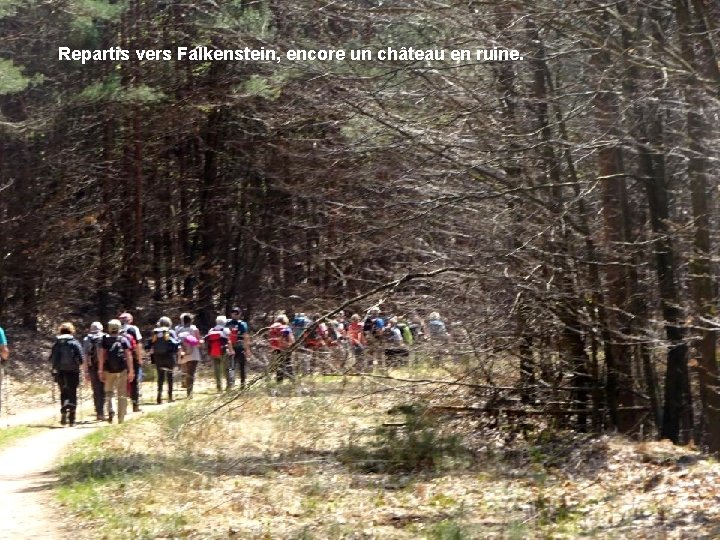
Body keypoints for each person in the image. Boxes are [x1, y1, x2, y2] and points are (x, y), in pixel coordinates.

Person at [98, 319, 135, 424]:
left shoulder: (104, 340)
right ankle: (121, 419)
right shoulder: (123, 340)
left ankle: (111, 409)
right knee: (121, 394)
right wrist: (131, 370)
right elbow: (128, 355)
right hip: (122, 370)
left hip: (108, 370)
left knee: (109, 392)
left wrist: (100, 370)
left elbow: (101, 356)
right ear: (119, 328)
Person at [48, 322, 84, 426]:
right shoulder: (74, 342)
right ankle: (72, 419)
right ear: (71, 331)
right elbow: (81, 358)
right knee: (72, 393)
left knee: (63, 392)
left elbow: (51, 358)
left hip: (60, 371)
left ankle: (64, 412)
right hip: (73, 371)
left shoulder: (57, 343)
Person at [149, 316, 180, 404]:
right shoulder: (171, 332)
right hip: (170, 356)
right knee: (170, 376)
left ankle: (159, 397)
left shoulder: (155, 332)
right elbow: (176, 343)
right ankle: (170, 396)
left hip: (158, 357)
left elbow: (151, 343)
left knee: (160, 377)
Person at [119, 312, 144, 412]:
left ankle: (123, 407)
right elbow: (138, 344)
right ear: (130, 320)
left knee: (122, 382)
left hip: (120, 358)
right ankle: (135, 405)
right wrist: (139, 358)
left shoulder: (117, 329)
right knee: (134, 381)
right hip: (132, 357)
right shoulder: (133, 329)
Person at [82, 322, 107, 421]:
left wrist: (85, 371)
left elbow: (85, 356)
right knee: (104, 389)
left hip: (92, 367)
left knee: (96, 390)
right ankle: (103, 411)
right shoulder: (105, 337)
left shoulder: (86, 339)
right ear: (101, 328)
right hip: (105, 367)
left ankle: (98, 412)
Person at [175, 313, 202, 398]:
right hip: (193, 354)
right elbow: (198, 344)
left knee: (186, 372)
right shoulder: (194, 329)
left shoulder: (178, 330)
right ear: (191, 320)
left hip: (183, 354)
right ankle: (189, 393)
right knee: (191, 373)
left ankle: (186, 388)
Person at [205, 316, 234, 392]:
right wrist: (231, 350)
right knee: (227, 368)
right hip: (223, 351)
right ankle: (228, 385)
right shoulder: (225, 330)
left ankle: (219, 387)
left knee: (217, 370)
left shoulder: (211, 330)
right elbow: (229, 341)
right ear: (224, 322)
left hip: (214, 351)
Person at [226, 307, 251, 389]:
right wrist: (247, 349)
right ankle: (242, 385)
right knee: (241, 367)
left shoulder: (227, 323)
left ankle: (231, 384)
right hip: (240, 347)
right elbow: (245, 336)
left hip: (231, 347)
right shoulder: (243, 324)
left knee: (231, 367)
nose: (235, 314)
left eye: (235, 313)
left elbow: (226, 336)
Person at [269, 314, 294, 383]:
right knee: (288, 364)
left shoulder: (272, 328)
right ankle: (293, 381)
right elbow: (291, 339)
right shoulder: (286, 327)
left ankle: (279, 382)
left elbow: (271, 339)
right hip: (285, 348)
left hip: (275, 349)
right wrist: (291, 345)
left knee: (279, 366)